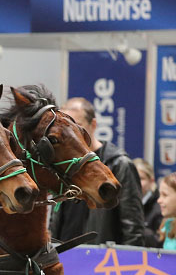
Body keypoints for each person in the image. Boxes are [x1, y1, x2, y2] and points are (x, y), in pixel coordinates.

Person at [49, 97, 144, 246]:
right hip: (64, 256)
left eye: (77, 126)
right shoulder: (64, 164)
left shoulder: (118, 164)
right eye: (65, 127)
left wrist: (128, 265)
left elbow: (133, 228)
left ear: (93, 125)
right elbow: (56, 216)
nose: (71, 133)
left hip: (102, 261)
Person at [134, 157, 162, 248]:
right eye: (133, 178)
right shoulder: (123, 203)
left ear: (151, 181)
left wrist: (137, 229)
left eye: (141, 179)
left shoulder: (160, 207)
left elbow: (160, 241)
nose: (136, 182)